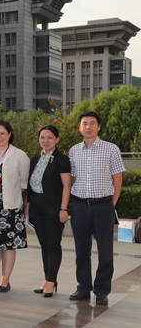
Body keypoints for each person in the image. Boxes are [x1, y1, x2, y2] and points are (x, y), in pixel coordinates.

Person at [68, 111, 124, 306]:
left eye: (92, 123)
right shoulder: (74, 151)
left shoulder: (111, 149)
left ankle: (101, 290)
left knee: (105, 252)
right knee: (81, 251)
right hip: (80, 206)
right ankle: (83, 287)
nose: (88, 127)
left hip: (103, 206)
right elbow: (72, 178)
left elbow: (118, 179)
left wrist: (111, 204)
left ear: (99, 127)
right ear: (79, 128)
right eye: (85, 123)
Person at [0, 120, 30, 293]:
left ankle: (5, 281)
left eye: (2, 133)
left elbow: (24, 182)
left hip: (10, 206)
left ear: (9, 134)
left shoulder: (19, 155)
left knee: (8, 244)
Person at [27, 125, 71, 298]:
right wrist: (28, 206)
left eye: (50, 137)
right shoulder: (35, 158)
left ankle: (51, 281)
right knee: (44, 244)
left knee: (53, 244)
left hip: (54, 206)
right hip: (36, 206)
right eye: (42, 137)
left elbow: (66, 186)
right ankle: (48, 279)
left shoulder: (61, 159)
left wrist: (63, 208)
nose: (45, 141)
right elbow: (30, 185)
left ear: (57, 139)